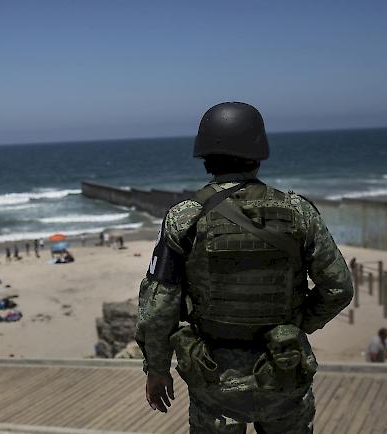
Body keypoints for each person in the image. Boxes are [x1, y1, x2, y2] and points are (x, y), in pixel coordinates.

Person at [136, 102, 353, 434]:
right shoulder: (298, 212)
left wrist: (157, 368)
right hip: (283, 369)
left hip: (214, 377)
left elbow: (157, 308)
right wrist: (297, 325)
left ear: (205, 155)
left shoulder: (185, 217)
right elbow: (338, 288)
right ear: (259, 151)